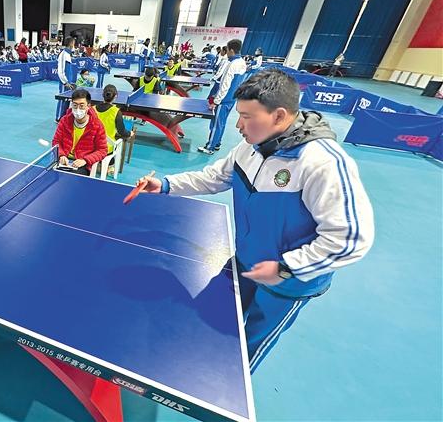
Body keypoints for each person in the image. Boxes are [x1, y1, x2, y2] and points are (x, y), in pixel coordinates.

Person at [134, 68, 374, 373]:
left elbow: (351, 239)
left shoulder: (324, 164)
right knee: (210, 313)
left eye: (247, 116)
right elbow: (214, 177)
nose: (238, 125)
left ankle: (224, 396)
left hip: (288, 282)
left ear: (279, 116)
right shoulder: (250, 146)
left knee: (248, 348)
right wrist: (167, 184)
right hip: (245, 260)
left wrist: (286, 268)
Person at [198, 38, 247, 155]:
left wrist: (216, 101)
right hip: (232, 99)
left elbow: (225, 85)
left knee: (216, 124)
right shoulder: (242, 62)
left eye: (228, 50)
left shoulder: (232, 64)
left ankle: (210, 147)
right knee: (222, 123)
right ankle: (217, 143)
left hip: (223, 100)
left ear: (231, 50)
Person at [52, 88, 108, 176]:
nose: (78, 109)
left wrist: (85, 160)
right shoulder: (64, 121)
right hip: (64, 160)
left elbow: (102, 150)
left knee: (71, 179)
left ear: (88, 106)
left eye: (81, 105)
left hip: (82, 163)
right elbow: (56, 141)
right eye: (75, 105)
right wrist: (61, 155)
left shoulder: (97, 125)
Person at [94, 84, 133, 156]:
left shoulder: (92, 109)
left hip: (91, 146)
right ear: (115, 96)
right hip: (106, 148)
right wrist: (130, 133)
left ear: (102, 95)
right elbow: (122, 132)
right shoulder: (116, 112)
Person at [55, 36, 76, 121]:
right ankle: (58, 118)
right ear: (70, 43)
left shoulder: (68, 54)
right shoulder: (63, 54)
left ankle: (63, 118)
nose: (74, 45)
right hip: (64, 83)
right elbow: (60, 71)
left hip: (68, 83)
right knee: (62, 99)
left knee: (67, 100)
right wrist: (65, 82)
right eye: (73, 43)